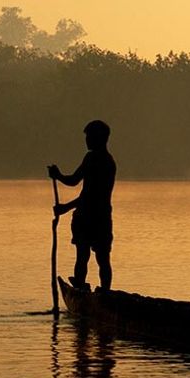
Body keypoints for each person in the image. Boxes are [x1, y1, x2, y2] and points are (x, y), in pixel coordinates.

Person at [48, 120, 117, 291]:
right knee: (97, 258)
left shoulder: (98, 160)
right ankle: (99, 291)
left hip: (92, 217)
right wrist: (58, 176)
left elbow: (90, 195)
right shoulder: (101, 160)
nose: (87, 141)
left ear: (100, 138)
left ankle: (92, 292)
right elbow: (74, 181)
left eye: (90, 137)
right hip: (97, 217)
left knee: (90, 256)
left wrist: (65, 207)